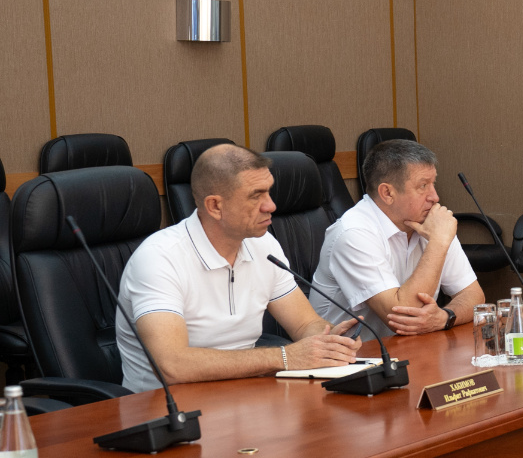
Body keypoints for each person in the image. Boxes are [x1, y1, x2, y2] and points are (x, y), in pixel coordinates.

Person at [116, 144, 360, 392]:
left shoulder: (263, 244)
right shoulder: (160, 258)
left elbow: (303, 325)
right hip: (167, 413)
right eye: (256, 196)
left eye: (269, 192)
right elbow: (172, 366)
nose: (271, 206)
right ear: (215, 206)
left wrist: (328, 339)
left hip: (243, 396)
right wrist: (284, 358)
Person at [311, 140, 486, 337]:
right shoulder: (353, 233)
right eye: (423, 186)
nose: (435, 197)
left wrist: (445, 317)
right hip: (352, 360)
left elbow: (474, 296)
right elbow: (403, 319)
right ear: (387, 193)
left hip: (408, 351)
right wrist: (437, 243)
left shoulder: (432, 222)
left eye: (433, 183)